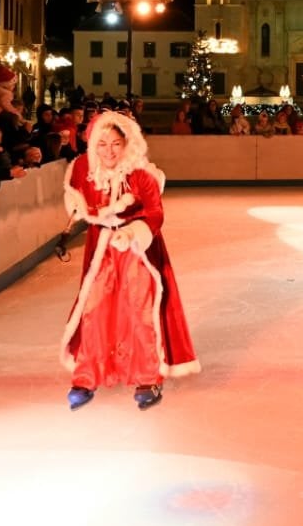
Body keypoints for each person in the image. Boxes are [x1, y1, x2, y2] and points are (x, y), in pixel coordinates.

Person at [58, 110, 199, 411]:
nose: (109, 151)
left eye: (115, 144)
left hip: (137, 250)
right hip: (102, 249)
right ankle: (87, 374)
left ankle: (147, 376)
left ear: (126, 144)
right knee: (95, 308)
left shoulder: (142, 174)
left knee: (140, 308)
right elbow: (76, 194)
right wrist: (77, 208)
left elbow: (155, 214)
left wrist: (134, 232)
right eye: (102, 144)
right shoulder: (85, 169)